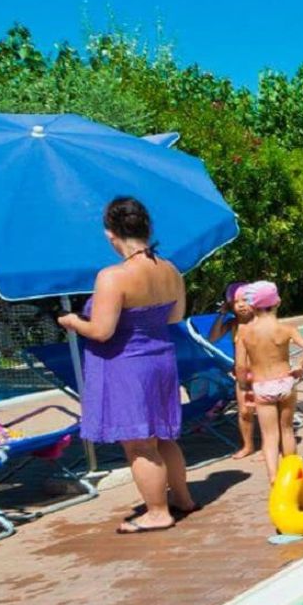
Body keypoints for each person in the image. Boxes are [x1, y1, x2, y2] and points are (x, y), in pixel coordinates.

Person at [56, 196, 197, 534]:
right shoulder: (170, 270)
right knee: (163, 437)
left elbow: (102, 331)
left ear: (111, 234)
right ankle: (182, 498)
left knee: (139, 444)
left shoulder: (113, 276)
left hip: (128, 366)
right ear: (147, 229)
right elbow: (175, 316)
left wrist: (73, 322)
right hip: (161, 359)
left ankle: (158, 512)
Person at [233, 282, 303, 480]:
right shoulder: (287, 329)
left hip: (262, 385)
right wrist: (302, 367)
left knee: (270, 436)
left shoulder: (245, 332)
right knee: (287, 430)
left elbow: (240, 366)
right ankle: (294, 475)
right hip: (285, 382)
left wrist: (242, 386)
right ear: (277, 302)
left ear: (252, 306)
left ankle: (274, 476)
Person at [208, 284, 258, 461]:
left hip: (263, 374)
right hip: (242, 377)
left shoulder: (260, 321)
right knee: (244, 412)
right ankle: (248, 445)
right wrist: (222, 313)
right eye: (236, 302)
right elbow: (212, 338)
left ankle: (271, 445)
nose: (241, 305)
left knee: (268, 412)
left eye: (245, 300)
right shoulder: (233, 324)